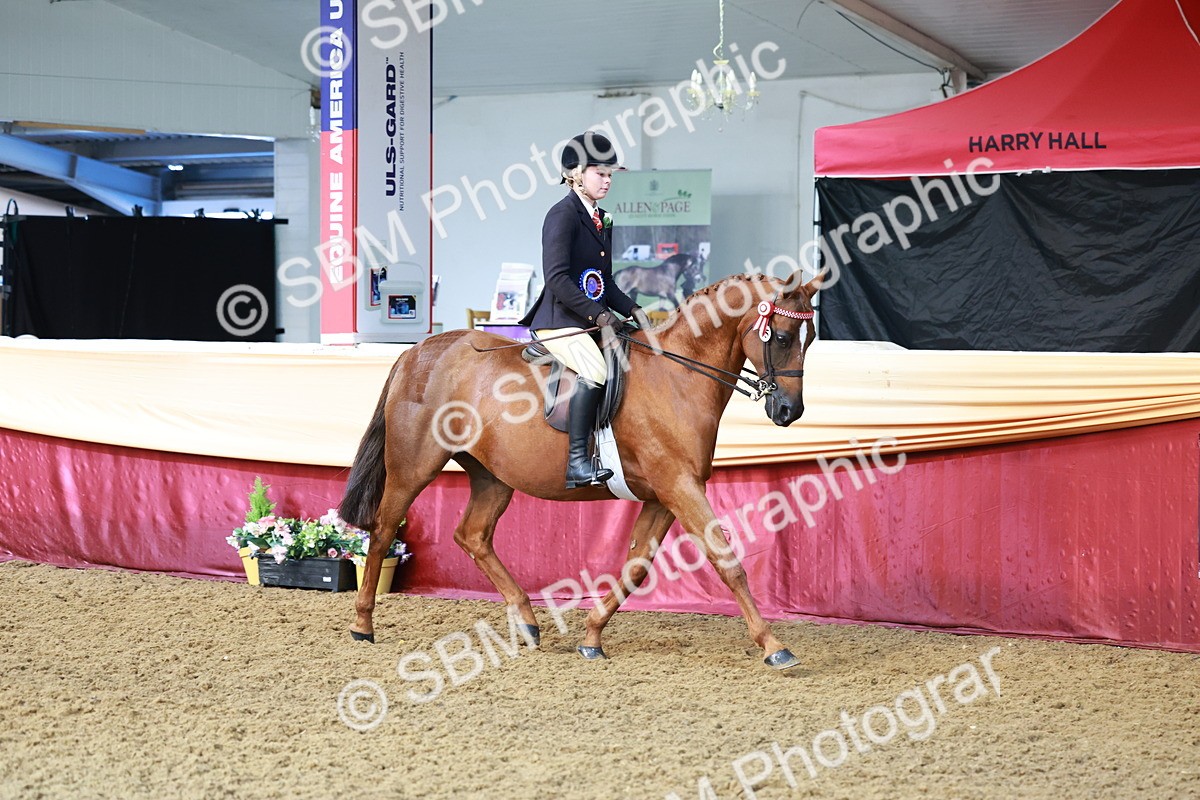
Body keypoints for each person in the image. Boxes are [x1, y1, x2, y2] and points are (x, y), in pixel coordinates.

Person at [519, 131, 651, 489]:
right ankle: (578, 462)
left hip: (588, 320)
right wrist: (600, 315)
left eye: (610, 176)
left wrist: (633, 309)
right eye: (601, 174)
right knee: (594, 368)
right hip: (559, 321)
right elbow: (558, 279)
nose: (608, 182)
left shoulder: (602, 218)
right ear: (576, 173)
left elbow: (604, 281)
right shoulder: (561, 215)